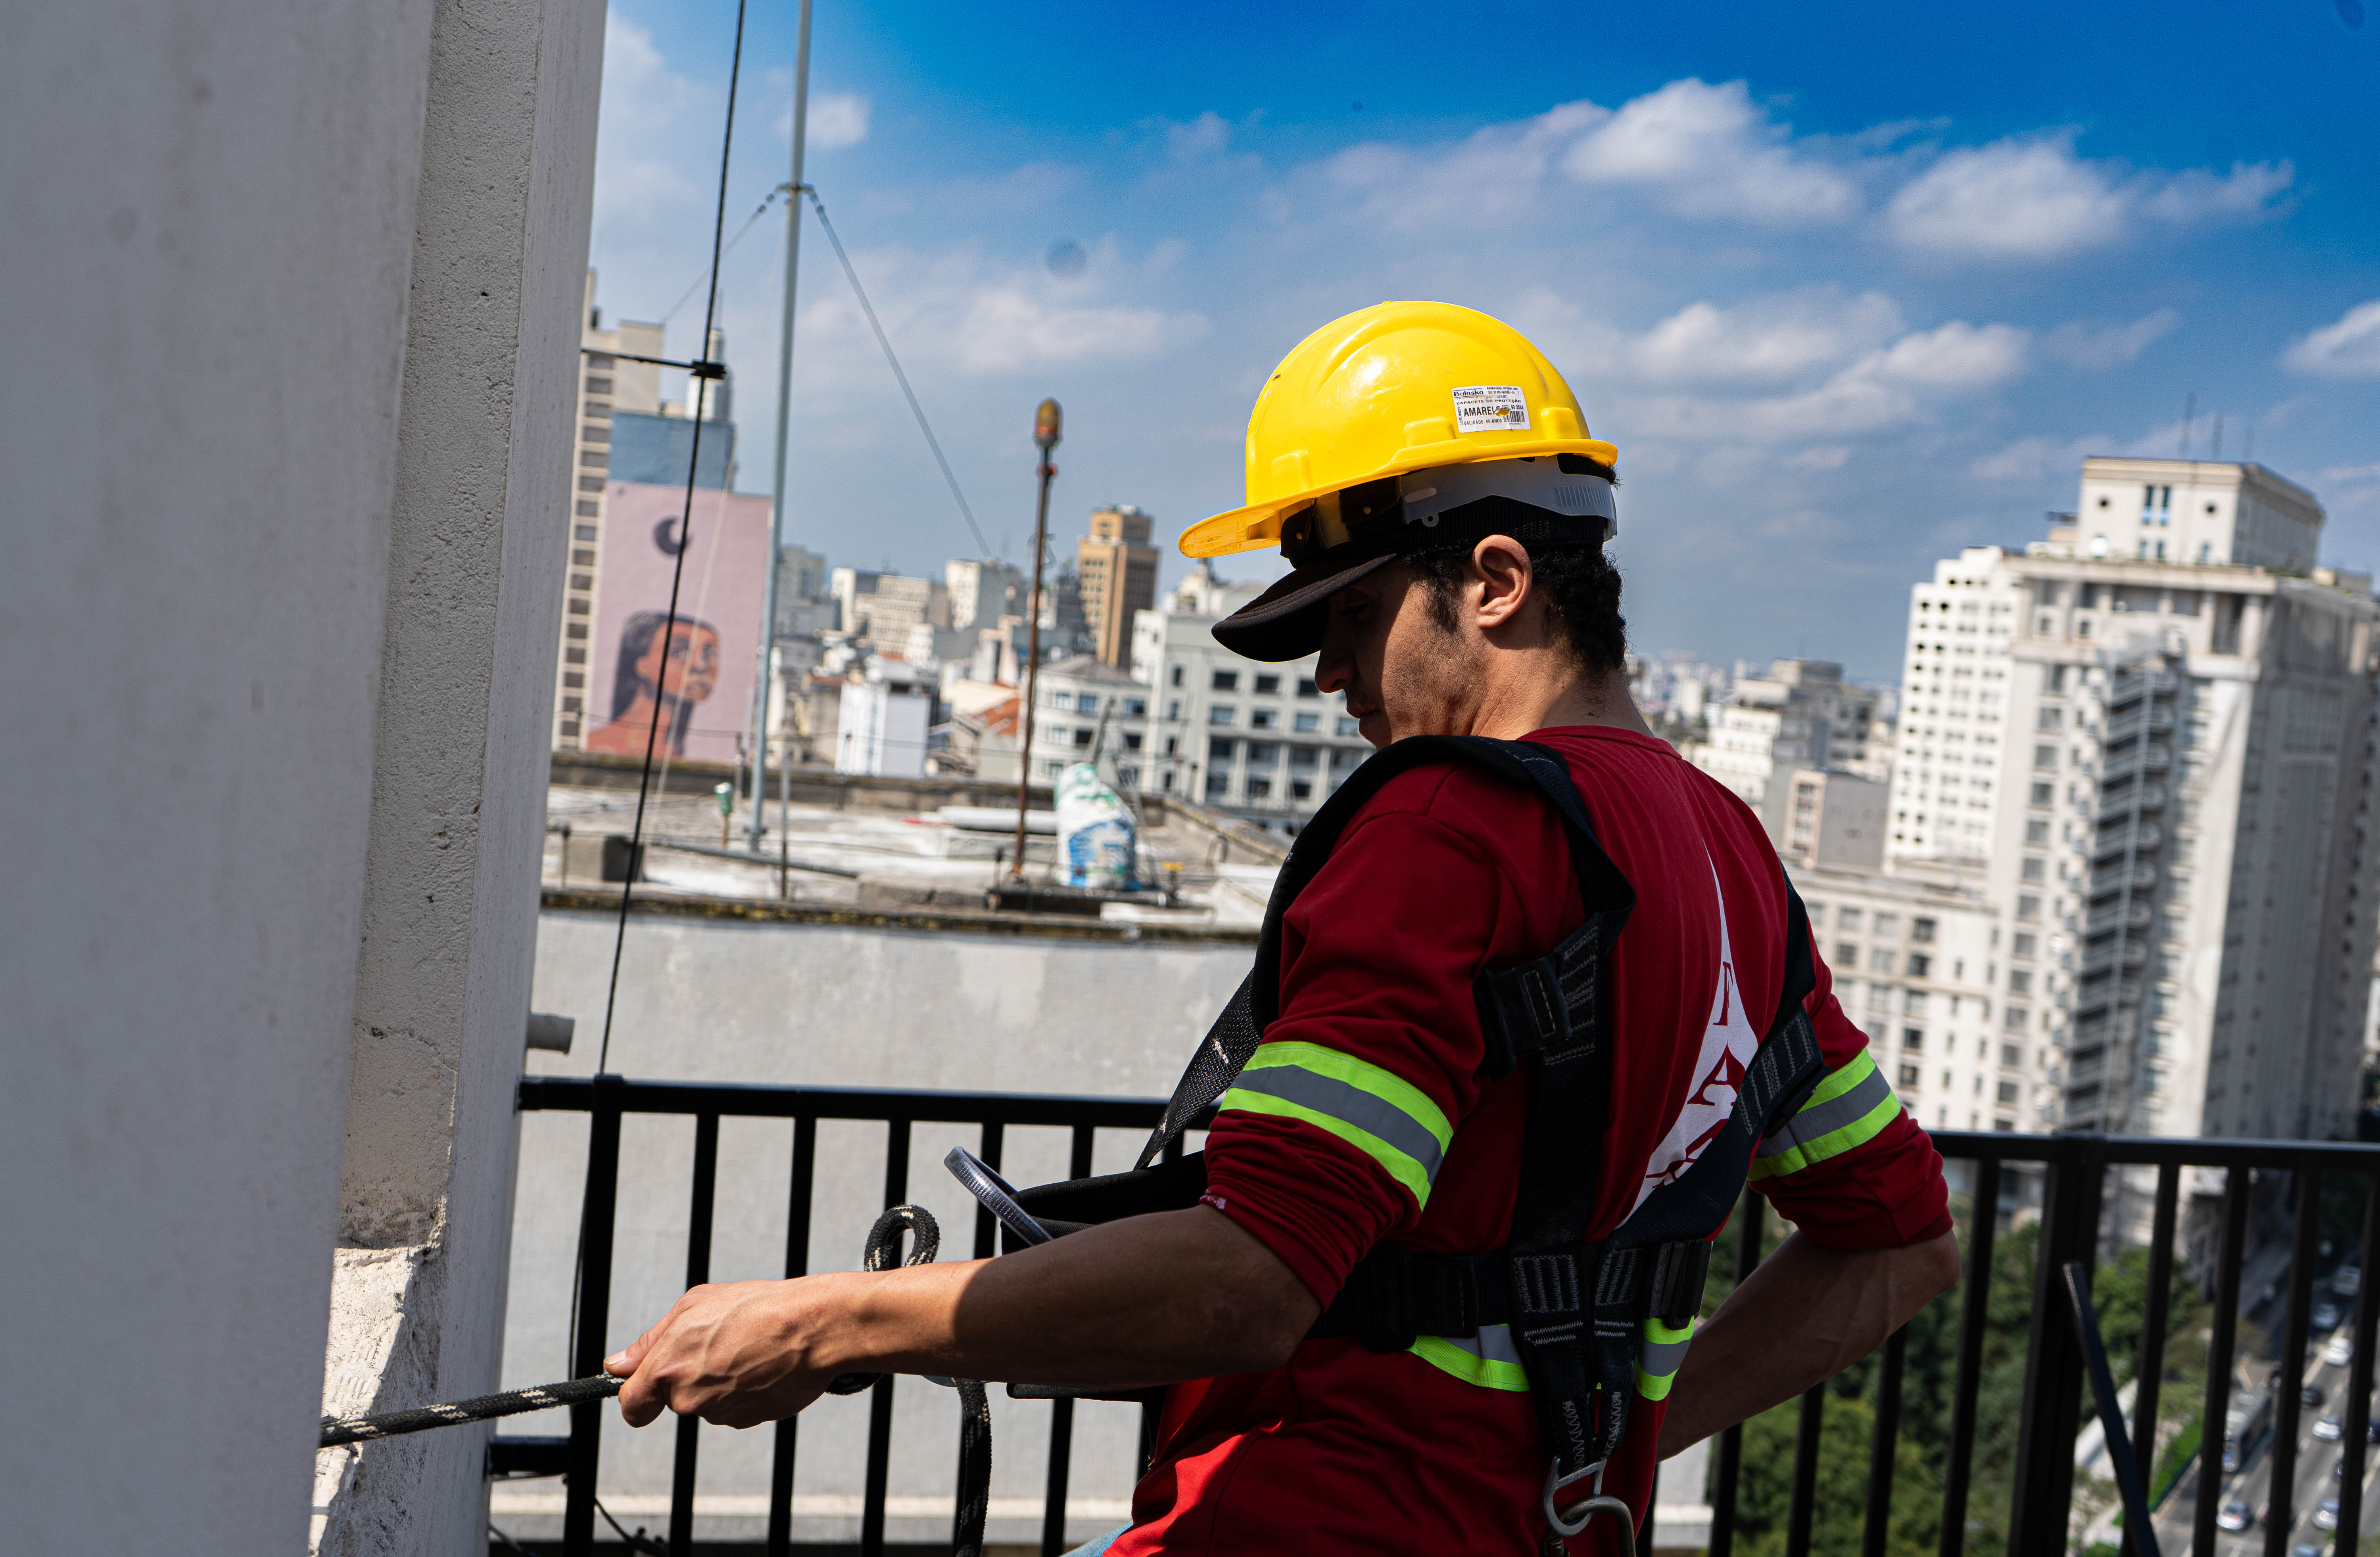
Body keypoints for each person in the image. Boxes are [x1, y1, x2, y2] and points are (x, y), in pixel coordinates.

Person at [602, 302, 1961, 1553]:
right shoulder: (1729, 854)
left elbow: (1253, 1280)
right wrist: (1621, 1441)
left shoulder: (1450, 831)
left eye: (1355, 616)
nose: (1326, 676)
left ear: (1493, 581)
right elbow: (1900, 1245)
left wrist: (829, 1322)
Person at [587, 611, 721, 758]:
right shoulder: (600, 747)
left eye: (709, 653)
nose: (700, 666)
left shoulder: (680, 751)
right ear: (642, 665)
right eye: (678, 653)